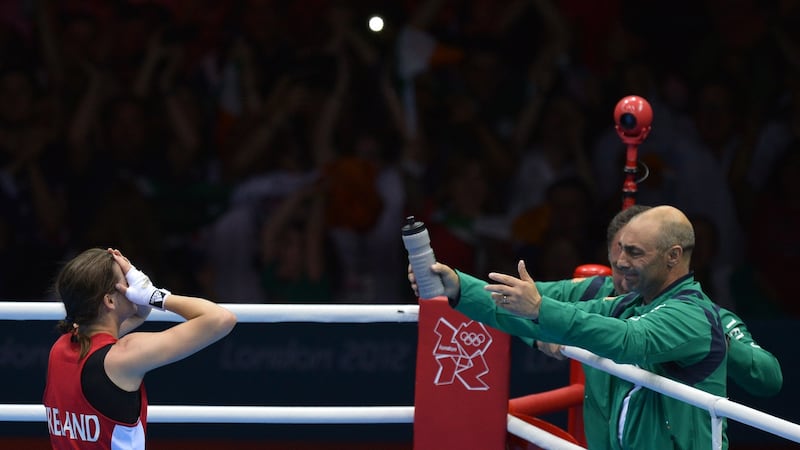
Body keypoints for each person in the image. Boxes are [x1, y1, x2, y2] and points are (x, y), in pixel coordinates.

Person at [409, 205, 728, 449]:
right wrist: (458, 287)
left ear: (673, 256)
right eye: (618, 249)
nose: (619, 261)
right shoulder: (630, 304)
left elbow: (629, 339)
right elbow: (549, 317)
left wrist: (541, 311)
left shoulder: (690, 314)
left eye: (634, 252)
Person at [43, 248, 237, 449]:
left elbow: (107, 335)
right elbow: (221, 319)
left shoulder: (60, 348)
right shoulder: (124, 356)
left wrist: (141, 307)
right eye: (126, 281)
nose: (132, 284)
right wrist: (155, 295)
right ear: (109, 300)